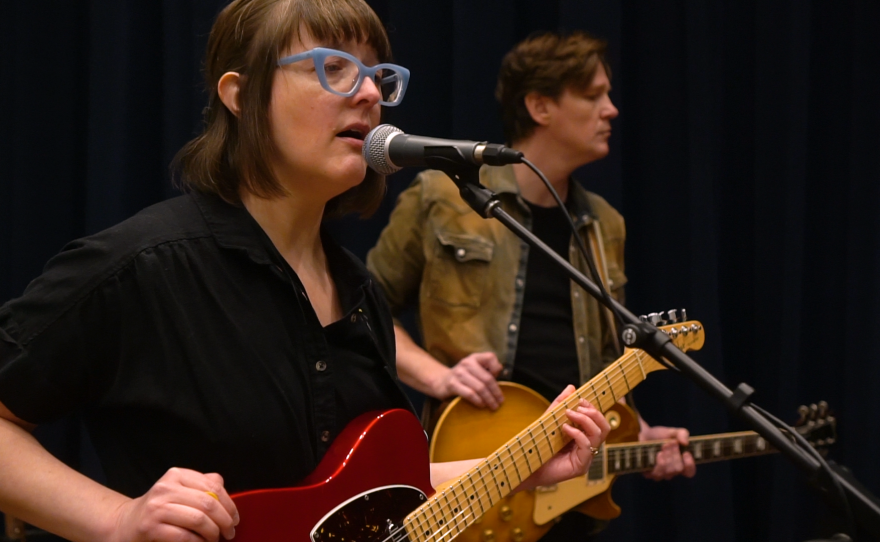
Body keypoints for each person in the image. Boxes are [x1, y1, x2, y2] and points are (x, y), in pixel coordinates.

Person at [0, 3, 611, 542]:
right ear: (239, 94)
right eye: (334, 67)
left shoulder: (360, 294)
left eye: (378, 75)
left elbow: (361, 497)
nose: (369, 93)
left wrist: (519, 466)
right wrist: (115, 520)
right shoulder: (143, 265)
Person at [367, 31, 697, 540]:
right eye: (592, 95)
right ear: (540, 106)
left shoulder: (605, 223)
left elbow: (607, 354)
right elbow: (367, 312)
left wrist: (639, 434)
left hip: (575, 494)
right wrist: (437, 377)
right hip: (475, 464)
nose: (611, 110)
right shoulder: (440, 197)